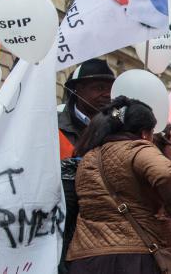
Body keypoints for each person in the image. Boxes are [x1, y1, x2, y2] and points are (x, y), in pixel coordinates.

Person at [67, 97, 171, 273]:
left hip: (87, 257)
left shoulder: (88, 157)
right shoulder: (137, 148)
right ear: (145, 133)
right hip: (132, 257)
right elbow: (166, 173)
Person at [58, 58, 116, 273]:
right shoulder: (52, 123)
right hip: (61, 226)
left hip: (101, 231)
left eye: (111, 88)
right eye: (99, 87)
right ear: (77, 90)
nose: (107, 94)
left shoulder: (118, 127)